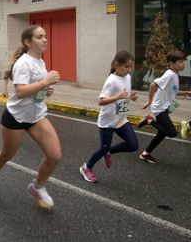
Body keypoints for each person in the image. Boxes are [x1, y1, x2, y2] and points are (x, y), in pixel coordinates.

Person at [0, 25, 61, 210]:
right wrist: (45, 81)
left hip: (36, 115)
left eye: (45, 36)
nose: (45, 40)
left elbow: (35, 88)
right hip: (16, 117)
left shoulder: (40, 62)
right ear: (28, 42)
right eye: (40, 37)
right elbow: (19, 91)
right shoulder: (24, 63)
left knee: (55, 155)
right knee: (6, 155)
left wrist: (45, 89)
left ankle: (37, 187)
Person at [79, 51, 139, 183]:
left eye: (130, 66)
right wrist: (118, 97)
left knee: (133, 145)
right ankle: (86, 167)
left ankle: (109, 151)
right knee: (103, 147)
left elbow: (123, 95)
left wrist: (131, 96)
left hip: (121, 119)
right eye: (126, 66)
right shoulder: (111, 80)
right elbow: (101, 101)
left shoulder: (127, 77)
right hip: (108, 121)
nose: (129, 70)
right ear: (117, 64)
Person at [137, 50, 191, 163]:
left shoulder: (175, 74)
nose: (184, 64)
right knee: (171, 133)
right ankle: (149, 121)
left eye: (184, 62)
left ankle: (145, 154)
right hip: (159, 109)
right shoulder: (169, 74)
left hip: (164, 107)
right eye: (181, 62)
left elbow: (173, 91)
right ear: (172, 62)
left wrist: (186, 92)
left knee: (162, 133)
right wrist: (149, 100)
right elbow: (153, 84)